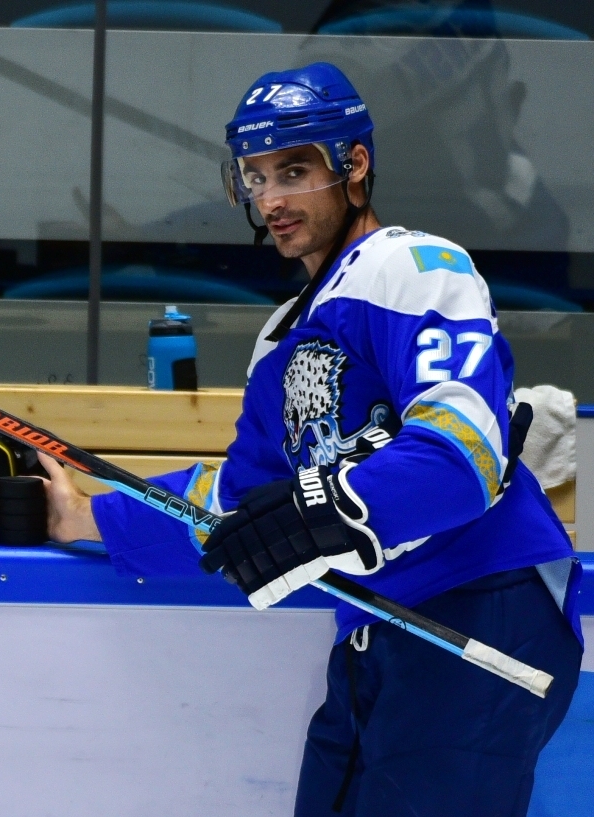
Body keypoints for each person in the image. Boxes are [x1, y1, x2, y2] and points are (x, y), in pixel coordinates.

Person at [38, 62, 582, 816]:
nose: (272, 200)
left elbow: (458, 457)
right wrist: (84, 516)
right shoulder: (281, 338)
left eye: (293, 171)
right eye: (256, 178)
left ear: (353, 165)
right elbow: (238, 504)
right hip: (375, 632)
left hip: (478, 607)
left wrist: (315, 508)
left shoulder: (414, 266)